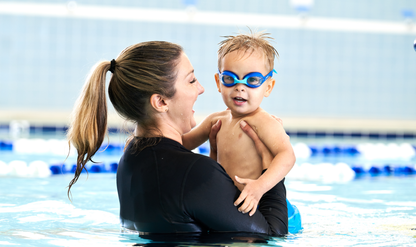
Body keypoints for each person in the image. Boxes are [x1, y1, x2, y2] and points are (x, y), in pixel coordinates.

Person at [67, 41, 288, 236]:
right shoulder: (196, 173)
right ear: (161, 102)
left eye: (253, 80)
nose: (201, 89)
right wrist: (268, 171)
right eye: (191, 81)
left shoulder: (131, 158)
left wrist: (214, 167)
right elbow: (271, 235)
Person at [182, 31, 296, 216]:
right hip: (226, 204)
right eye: (230, 78)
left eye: (252, 80)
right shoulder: (216, 120)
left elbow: (287, 156)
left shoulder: (264, 122)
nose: (240, 87)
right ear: (218, 82)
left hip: (254, 205)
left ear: (268, 87)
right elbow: (183, 144)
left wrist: (259, 187)